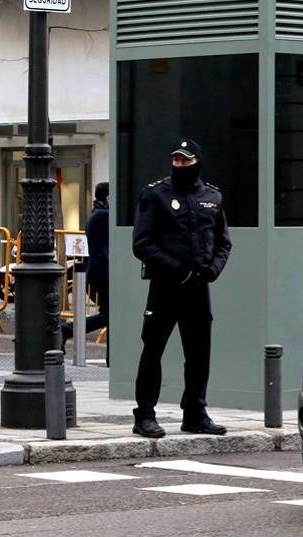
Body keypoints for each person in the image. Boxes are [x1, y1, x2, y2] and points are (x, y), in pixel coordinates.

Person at [132, 139, 232, 438]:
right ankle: (145, 416)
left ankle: (195, 413)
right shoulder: (156, 195)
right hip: (165, 287)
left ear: (197, 162)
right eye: (176, 160)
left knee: (199, 354)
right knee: (153, 350)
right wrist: (178, 270)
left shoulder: (212, 197)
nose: (180, 165)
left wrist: (213, 269)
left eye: (186, 161)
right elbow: (142, 244)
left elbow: (223, 241)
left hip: (199, 289)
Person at [62, 182, 110, 362]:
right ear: (109, 198)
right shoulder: (103, 216)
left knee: (110, 315)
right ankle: (66, 330)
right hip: (103, 273)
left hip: (100, 272)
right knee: (109, 315)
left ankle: (111, 358)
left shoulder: (98, 215)